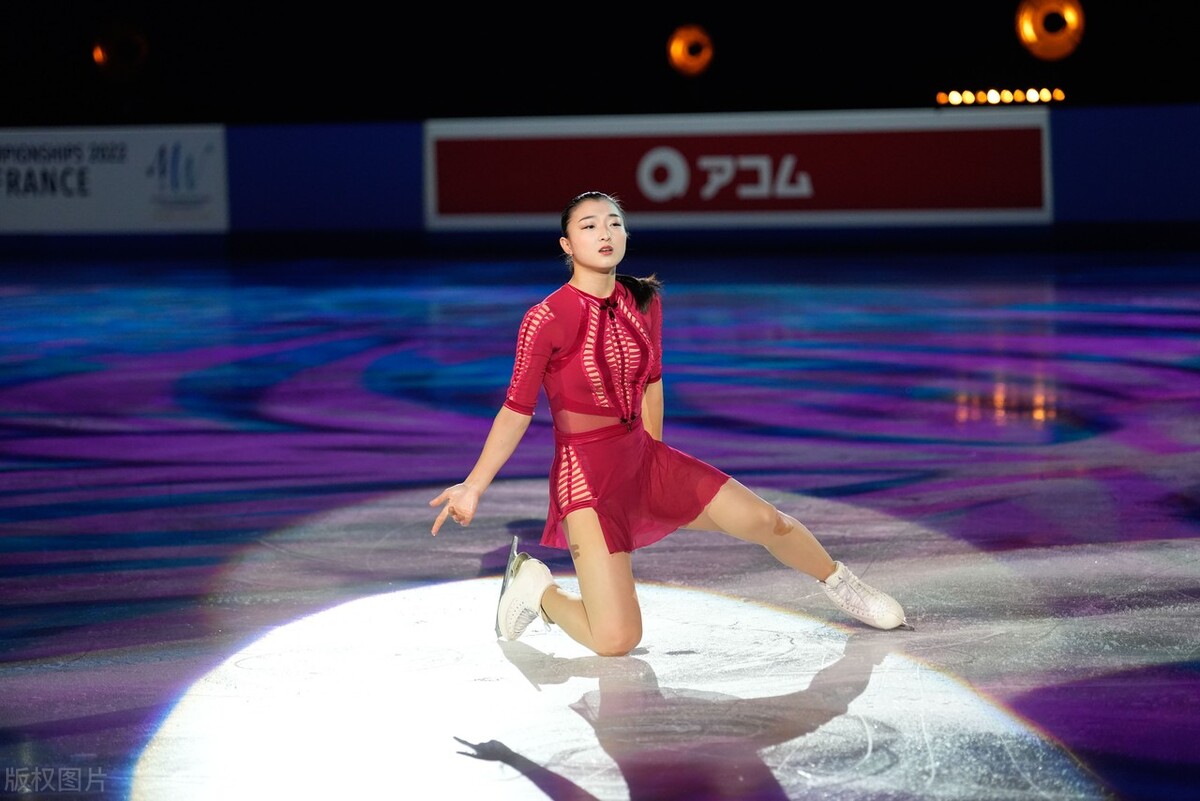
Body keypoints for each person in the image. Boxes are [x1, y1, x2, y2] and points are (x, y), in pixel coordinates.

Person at [430, 190, 909, 657]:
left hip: (643, 458)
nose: (605, 233)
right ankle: (538, 590)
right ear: (566, 245)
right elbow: (516, 409)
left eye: (614, 223)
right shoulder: (545, 318)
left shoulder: (644, 300)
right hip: (588, 482)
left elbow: (652, 382)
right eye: (589, 225)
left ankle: (843, 585)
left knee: (767, 520)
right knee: (616, 640)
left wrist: (651, 458)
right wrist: (474, 485)